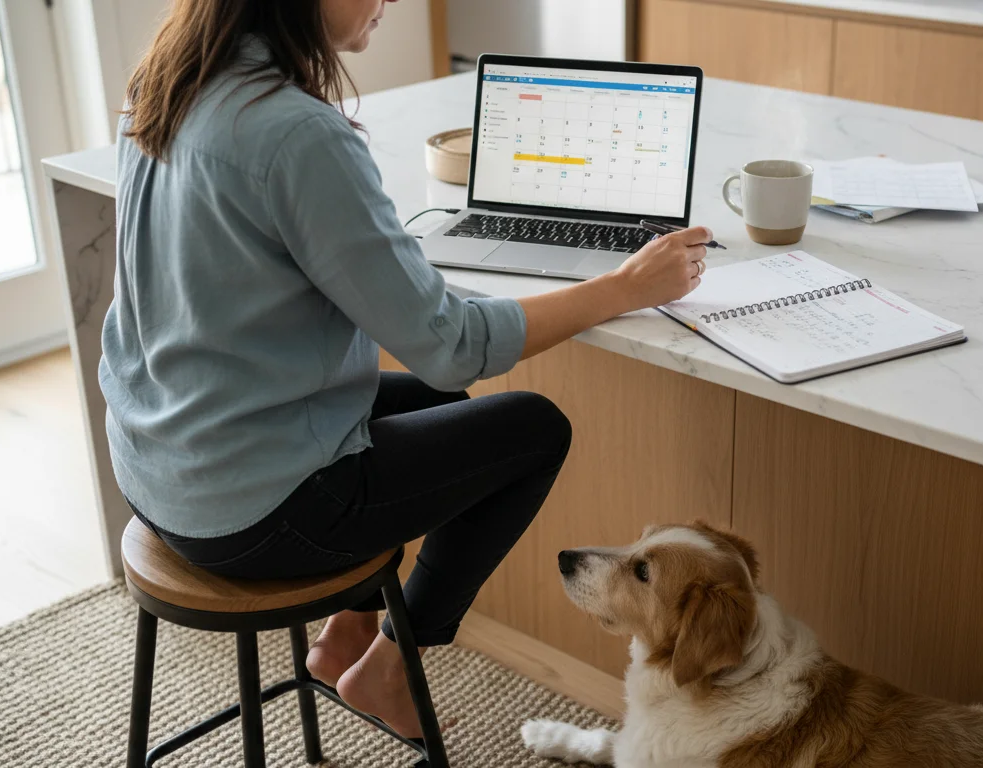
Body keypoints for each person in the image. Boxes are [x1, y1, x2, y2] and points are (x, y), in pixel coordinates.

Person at [102, 0, 710, 739]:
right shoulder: (296, 133)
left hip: (161, 465)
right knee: (534, 429)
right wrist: (624, 288)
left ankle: (347, 639)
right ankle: (394, 665)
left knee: (444, 400)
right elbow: (448, 340)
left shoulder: (170, 80)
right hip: (254, 510)